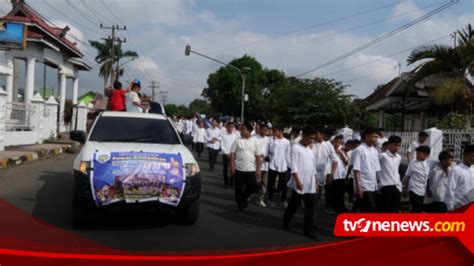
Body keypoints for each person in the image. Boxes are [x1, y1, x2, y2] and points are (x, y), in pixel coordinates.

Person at [283, 126, 318, 240]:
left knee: (310, 207)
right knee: (294, 204)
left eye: (313, 139)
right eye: (310, 138)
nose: (311, 141)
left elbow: (313, 168)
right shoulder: (296, 148)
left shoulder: (311, 150)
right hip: (300, 181)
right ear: (303, 136)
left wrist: (316, 182)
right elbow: (294, 166)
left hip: (310, 183)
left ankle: (308, 230)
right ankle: (285, 222)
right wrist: (297, 180)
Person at [230, 122, 262, 213]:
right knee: (238, 188)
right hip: (239, 168)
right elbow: (232, 154)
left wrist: (258, 170)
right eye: (241, 129)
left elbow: (258, 156)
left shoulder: (255, 141)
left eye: (243, 129)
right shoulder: (238, 140)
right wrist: (232, 167)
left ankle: (243, 198)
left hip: (251, 169)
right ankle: (240, 205)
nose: (241, 131)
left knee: (252, 187)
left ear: (249, 131)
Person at [352, 128, 381, 212]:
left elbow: (376, 169)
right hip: (364, 184)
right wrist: (358, 186)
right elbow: (356, 169)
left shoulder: (375, 151)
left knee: (370, 208)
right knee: (369, 207)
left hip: (373, 185)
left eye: (377, 137)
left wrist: (379, 184)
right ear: (367, 136)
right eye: (374, 136)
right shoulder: (359, 150)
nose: (376, 139)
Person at [312, 127, 338, 214]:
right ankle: (310, 219)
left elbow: (335, 160)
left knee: (317, 198)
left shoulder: (328, 145)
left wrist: (332, 174)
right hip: (311, 175)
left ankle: (311, 218)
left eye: (317, 134)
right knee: (312, 198)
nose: (315, 136)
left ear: (322, 135)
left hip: (322, 176)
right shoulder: (311, 144)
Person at [377, 135, 402, 212]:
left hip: (397, 186)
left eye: (399, 145)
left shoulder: (398, 157)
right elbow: (375, 169)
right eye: (395, 145)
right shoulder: (382, 156)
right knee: (385, 210)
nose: (397, 147)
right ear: (389, 145)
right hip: (385, 186)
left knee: (395, 210)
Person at [267, 126, 291, 207]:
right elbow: (270, 152)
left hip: (283, 166)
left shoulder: (287, 142)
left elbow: (288, 154)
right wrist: (273, 142)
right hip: (273, 165)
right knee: (271, 183)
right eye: (273, 131)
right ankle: (270, 199)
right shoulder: (272, 140)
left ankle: (283, 200)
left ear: (280, 131)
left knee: (284, 184)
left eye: (275, 131)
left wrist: (289, 165)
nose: (273, 133)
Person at [445, 145, 474, 211]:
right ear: (465, 155)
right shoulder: (456, 170)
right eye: (472, 156)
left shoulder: (473, 170)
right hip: (458, 207)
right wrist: (450, 207)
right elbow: (450, 190)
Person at [403, 145, 431, 213]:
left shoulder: (430, 163)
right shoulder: (413, 162)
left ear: (426, 154)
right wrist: (404, 189)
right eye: (417, 153)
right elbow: (407, 176)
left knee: (418, 208)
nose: (416, 155)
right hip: (413, 189)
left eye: (419, 153)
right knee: (416, 207)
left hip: (422, 190)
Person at [254, 124, 270, 207]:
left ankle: (260, 199)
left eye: (265, 130)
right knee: (256, 182)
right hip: (256, 164)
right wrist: (258, 155)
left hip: (265, 165)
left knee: (264, 183)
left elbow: (270, 151)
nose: (264, 131)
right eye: (262, 129)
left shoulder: (269, 139)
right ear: (259, 129)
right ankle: (250, 194)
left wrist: (267, 157)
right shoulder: (254, 138)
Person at [332, 135, 348, 213]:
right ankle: (336, 207)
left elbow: (346, 162)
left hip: (342, 174)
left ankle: (341, 206)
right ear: (333, 142)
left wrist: (341, 153)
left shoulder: (341, 151)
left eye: (339, 142)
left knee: (341, 192)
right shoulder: (330, 151)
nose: (337, 144)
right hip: (334, 175)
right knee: (335, 192)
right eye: (336, 142)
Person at [221, 122, 239, 188]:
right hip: (225, 155)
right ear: (226, 127)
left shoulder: (235, 136)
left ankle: (231, 181)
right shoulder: (223, 135)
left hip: (233, 155)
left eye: (232, 127)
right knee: (225, 170)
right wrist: (226, 153)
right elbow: (222, 145)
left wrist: (233, 153)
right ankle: (226, 183)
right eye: (229, 127)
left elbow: (236, 145)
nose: (230, 128)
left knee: (232, 169)